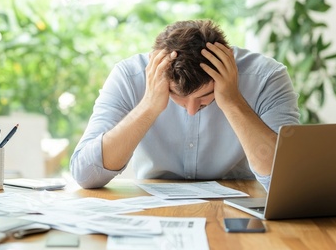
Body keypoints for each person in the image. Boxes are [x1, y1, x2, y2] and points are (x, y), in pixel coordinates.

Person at [70, 20, 299, 190]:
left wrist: (231, 100)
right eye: (176, 95)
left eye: (205, 96)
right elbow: (86, 174)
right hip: (154, 212)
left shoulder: (267, 77)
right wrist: (149, 105)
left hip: (241, 211)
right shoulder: (129, 77)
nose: (191, 110)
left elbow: (285, 181)